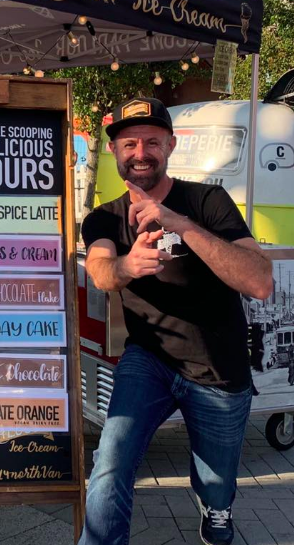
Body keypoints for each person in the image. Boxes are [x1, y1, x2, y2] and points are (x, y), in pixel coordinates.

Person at [79, 97, 273, 545]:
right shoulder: (104, 217)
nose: (140, 152)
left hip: (218, 368)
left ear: (171, 144)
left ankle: (216, 514)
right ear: (115, 153)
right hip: (148, 360)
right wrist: (127, 266)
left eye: (151, 141)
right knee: (110, 461)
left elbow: (260, 281)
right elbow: (101, 269)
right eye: (129, 143)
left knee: (215, 487)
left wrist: (177, 223)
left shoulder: (207, 200)